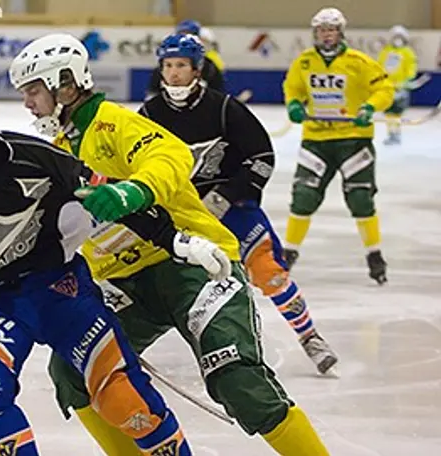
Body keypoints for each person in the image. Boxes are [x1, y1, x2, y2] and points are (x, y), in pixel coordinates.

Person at [0, 79, 244, 456]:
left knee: (124, 397)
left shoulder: (35, 158)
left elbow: (107, 199)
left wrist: (176, 240)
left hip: (61, 292)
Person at [10, 33, 330, 456]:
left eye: (33, 91)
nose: (27, 103)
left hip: (194, 263)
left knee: (238, 382)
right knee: (73, 370)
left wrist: (134, 191)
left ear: (64, 84)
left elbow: (171, 157)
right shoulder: (58, 149)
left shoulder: (113, 121)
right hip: (126, 285)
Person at [139, 33, 338, 375]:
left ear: (197, 69)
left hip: (232, 211)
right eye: (167, 66)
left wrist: (226, 195)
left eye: (181, 66)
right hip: (180, 214)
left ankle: (310, 337)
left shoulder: (224, 107)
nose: (172, 74)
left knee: (269, 272)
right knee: (156, 280)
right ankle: (126, 346)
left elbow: (261, 157)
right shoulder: (149, 113)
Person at [282, 7, 394, 285]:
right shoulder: (304, 62)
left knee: (360, 200)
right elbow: (293, 88)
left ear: (340, 32)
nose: (326, 36)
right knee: (303, 198)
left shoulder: (358, 61)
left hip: (353, 140)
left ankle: (374, 255)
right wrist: (294, 104)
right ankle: (289, 253)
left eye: (330, 30)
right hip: (316, 140)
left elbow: (385, 89)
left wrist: (370, 107)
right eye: (321, 31)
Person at [145, 20, 224, 100]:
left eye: (181, 65)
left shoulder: (210, 67)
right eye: (169, 65)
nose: (174, 73)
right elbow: (153, 93)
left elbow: (218, 94)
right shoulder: (161, 66)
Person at [377, 25, 418, 145]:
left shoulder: (407, 52)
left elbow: (411, 67)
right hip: (388, 87)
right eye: (395, 37)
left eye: (400, 37)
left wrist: (408, 80)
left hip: (401, 87)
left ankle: (397, 133)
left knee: (397, 112)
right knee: (388, 112)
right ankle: (391, 133)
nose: (397, 39)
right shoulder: (386, 51)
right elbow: (380, 66)